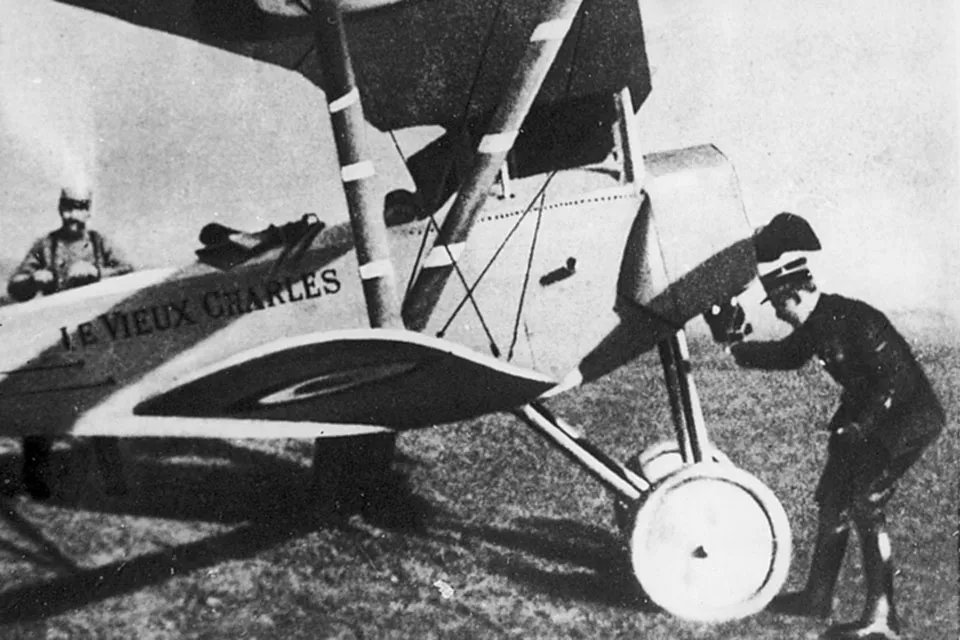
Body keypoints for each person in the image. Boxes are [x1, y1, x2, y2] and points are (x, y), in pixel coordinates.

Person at [724, 257, 944, 640]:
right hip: (867, 420)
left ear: (795, 295)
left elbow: (891, 384)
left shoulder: (856, 319)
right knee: (833, 500)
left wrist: (859, 427)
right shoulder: (818, 322)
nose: (777, 312)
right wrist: (737, 348)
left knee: (865, 501)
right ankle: (817, 598)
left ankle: (882, 618)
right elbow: (788, 355)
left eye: (778, 304)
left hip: (904, 421)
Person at [7, 186, 135, 500]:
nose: (72, 215)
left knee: (102, 407)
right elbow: (15, 287)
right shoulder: (46, 245)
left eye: (79, 208)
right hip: (55, 339)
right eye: (67, 207)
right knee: (43, 408)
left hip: (94, 338)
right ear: (60, 209)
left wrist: (97, 272)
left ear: (88, 211)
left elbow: (129, 272)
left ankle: (114, 481)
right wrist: (32, 280)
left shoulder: (99, 243)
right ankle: (36, 482)